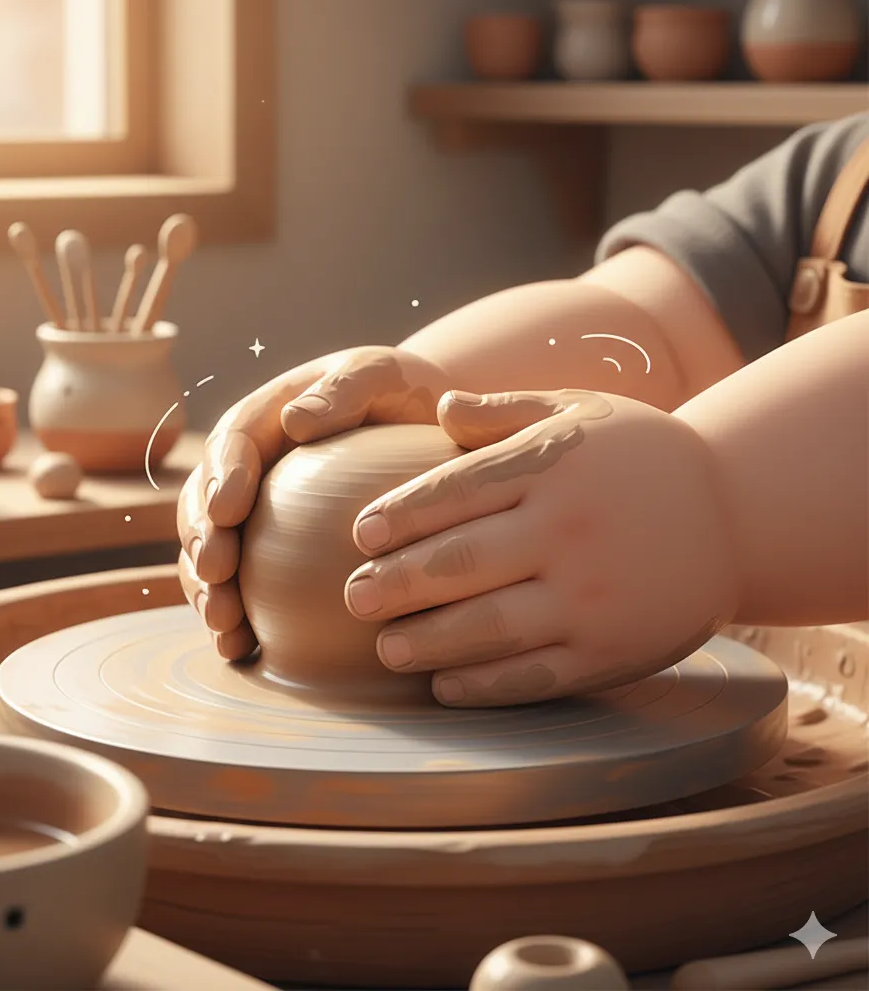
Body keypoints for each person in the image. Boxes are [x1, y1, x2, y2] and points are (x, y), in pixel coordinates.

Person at [177, 112, 869, 708]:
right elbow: (651, 331)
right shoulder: (840, 179)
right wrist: (430, 396)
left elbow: (702, 492)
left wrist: (713, 510)